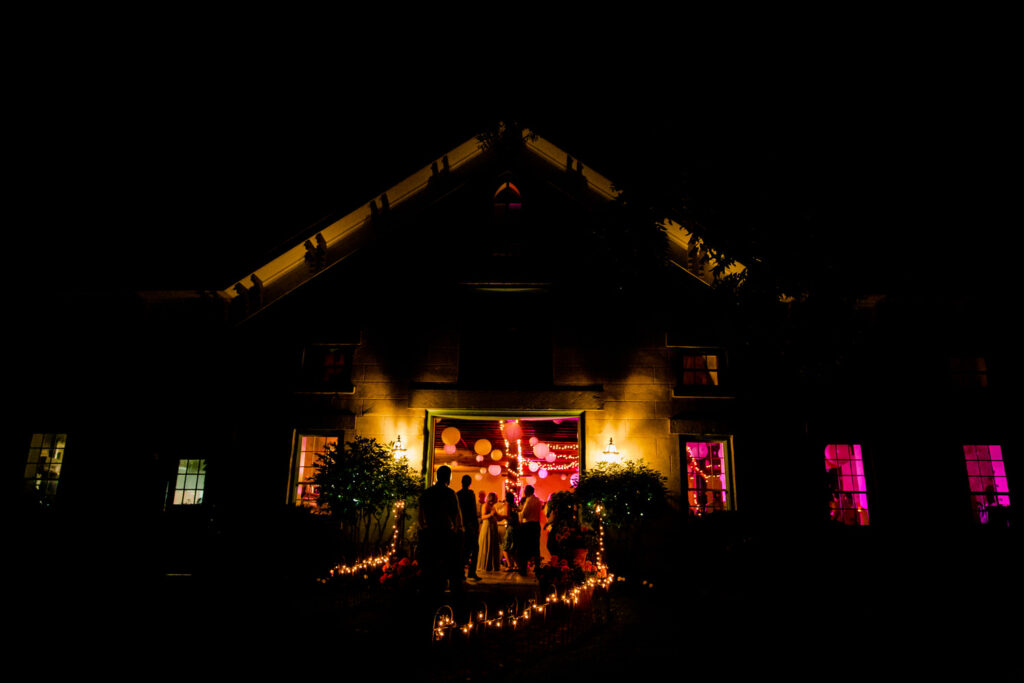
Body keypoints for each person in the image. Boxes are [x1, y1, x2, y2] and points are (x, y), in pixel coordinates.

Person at [418, 465, 464, 592]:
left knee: (431, 565)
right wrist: (457, 531)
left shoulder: (426, 493)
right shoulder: (450, 494)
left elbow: (420, 516)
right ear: (448, 478)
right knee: (445, 564)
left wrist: (423, 529)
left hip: (430, 533)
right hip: (445, 533)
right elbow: (457, 516)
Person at [456, 475, 481, 580]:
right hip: (470, 525)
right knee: (475, 548)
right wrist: (476, 526)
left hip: (461, 525)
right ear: (470, 483)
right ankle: (471, 572)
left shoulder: (457, 494)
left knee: (462, 549)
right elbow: (473, 511)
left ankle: (460, 572)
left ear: (461, 482)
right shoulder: (471, 494)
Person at [517, 485, 542, 576]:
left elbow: (524, 514)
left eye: (524, 490)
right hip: (536, 525)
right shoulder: (538, 500)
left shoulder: (528, 500)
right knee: (536, 547)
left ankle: (523, 569)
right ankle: (537, 566)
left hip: (527, 525)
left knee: (524, 547)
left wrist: (519, 511)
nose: (524, 492)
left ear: (527, 491)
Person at [476, 492, 503, 573]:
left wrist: (504, 516)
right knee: (487, 544)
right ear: (492, 498)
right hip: (487, 527)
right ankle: (485, 566)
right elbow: (483, 517)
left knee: (493, 545)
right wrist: (491, 514)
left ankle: (492, 566)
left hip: (493, 527)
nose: (497, 499)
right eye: (496, 498)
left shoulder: (493, 506)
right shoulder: (485, 505)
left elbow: (498, 517)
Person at [500, 491, 520, 572]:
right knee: (513, 547)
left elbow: (507, 516)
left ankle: (509, 565)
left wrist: (499, 516)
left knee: (505, 547)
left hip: (511, 527)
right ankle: (516, 565)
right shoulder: (514, 505)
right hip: (515, 527)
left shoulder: (507, 504)